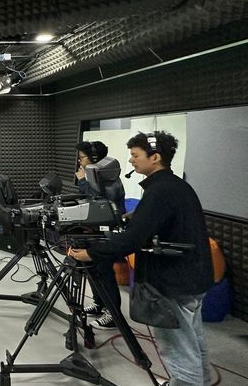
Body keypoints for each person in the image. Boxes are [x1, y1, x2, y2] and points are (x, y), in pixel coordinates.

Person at [70, 131, 213, 386]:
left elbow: (131, 241)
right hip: (193, 277)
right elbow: (163, 220)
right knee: (193, 338)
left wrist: (90, 253)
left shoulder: (160, 191)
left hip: (172, 282)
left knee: (178, 347)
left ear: (155, 157)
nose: (131, 160)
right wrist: (135, 217)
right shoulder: (175, 185)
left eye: (135, 155)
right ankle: (201, 380)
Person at [75, 140, 126, 330]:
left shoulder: (109, 178)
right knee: (93, 270)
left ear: (94, 158)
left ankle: (113, 315)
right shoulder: (96, 174)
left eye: (82, 157)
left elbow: (101, 203)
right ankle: (99, 303)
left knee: (105, 272)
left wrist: (82, 181)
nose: (79, 161)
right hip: (95, 230)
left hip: (107, 232)